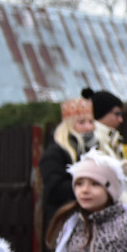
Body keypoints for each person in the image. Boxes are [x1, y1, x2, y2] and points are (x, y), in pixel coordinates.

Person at [39, 96, 96, 226]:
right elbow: (53, 190)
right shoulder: (55, 152)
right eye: (81, 122)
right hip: (66, 220)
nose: (88, 127)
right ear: (68, 125)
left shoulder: (94, 149)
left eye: (91, 122)